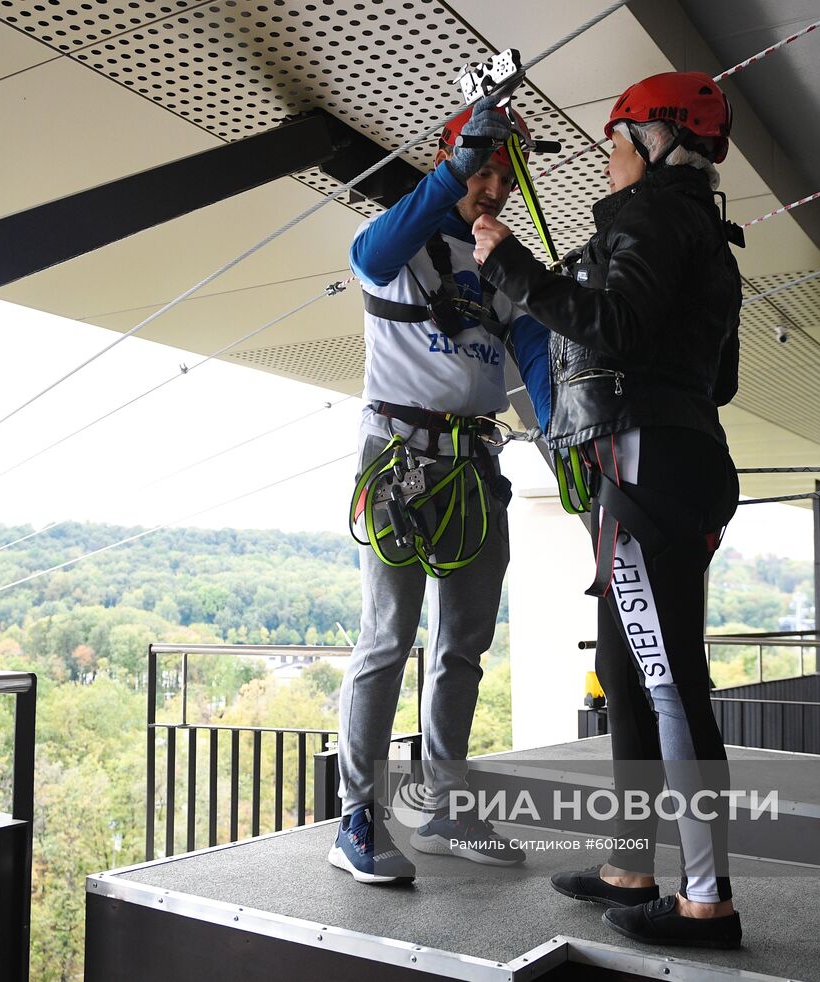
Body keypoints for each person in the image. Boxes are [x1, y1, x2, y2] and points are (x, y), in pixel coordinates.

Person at [472, 71, 744, 949]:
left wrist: (511, 265)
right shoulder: (706, 233)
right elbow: (722, 377)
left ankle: (707, 902)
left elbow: (616, 330)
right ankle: (633, 863)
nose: (610, 154)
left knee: (669, 684)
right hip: (674, 457)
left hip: (641, 464)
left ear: (659, 139)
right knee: (630, 674)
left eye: (619, 137)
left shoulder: (650, 216)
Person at [328, 97, 552, 884]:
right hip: (398, 455)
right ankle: (358, 814)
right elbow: (374, 246)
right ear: (454, 163)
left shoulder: (502, 266)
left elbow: (537, 361)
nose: (492, 187)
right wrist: (456, 164)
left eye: (501, 175)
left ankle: (446, 804)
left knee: (462, 646)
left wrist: (564, 439)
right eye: (482, 171)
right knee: (388, 638)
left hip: (474, 465)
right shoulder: (400, 245)